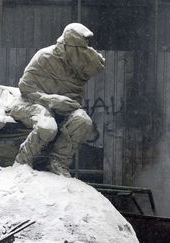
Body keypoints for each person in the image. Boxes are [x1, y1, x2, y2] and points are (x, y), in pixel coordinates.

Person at [9, 23, 105, 177]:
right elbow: (25, 87)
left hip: (60, 109)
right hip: (31, 103)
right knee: (47, 126)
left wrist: (68, 106)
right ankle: (21, 162)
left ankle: (58, 163)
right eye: (79, 49)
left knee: (83, 122)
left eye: (85, 47)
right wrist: (51, 100)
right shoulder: (45, 57)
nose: (84, 52)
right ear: (67, 45)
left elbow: (74, 95)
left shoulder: (80, 62)